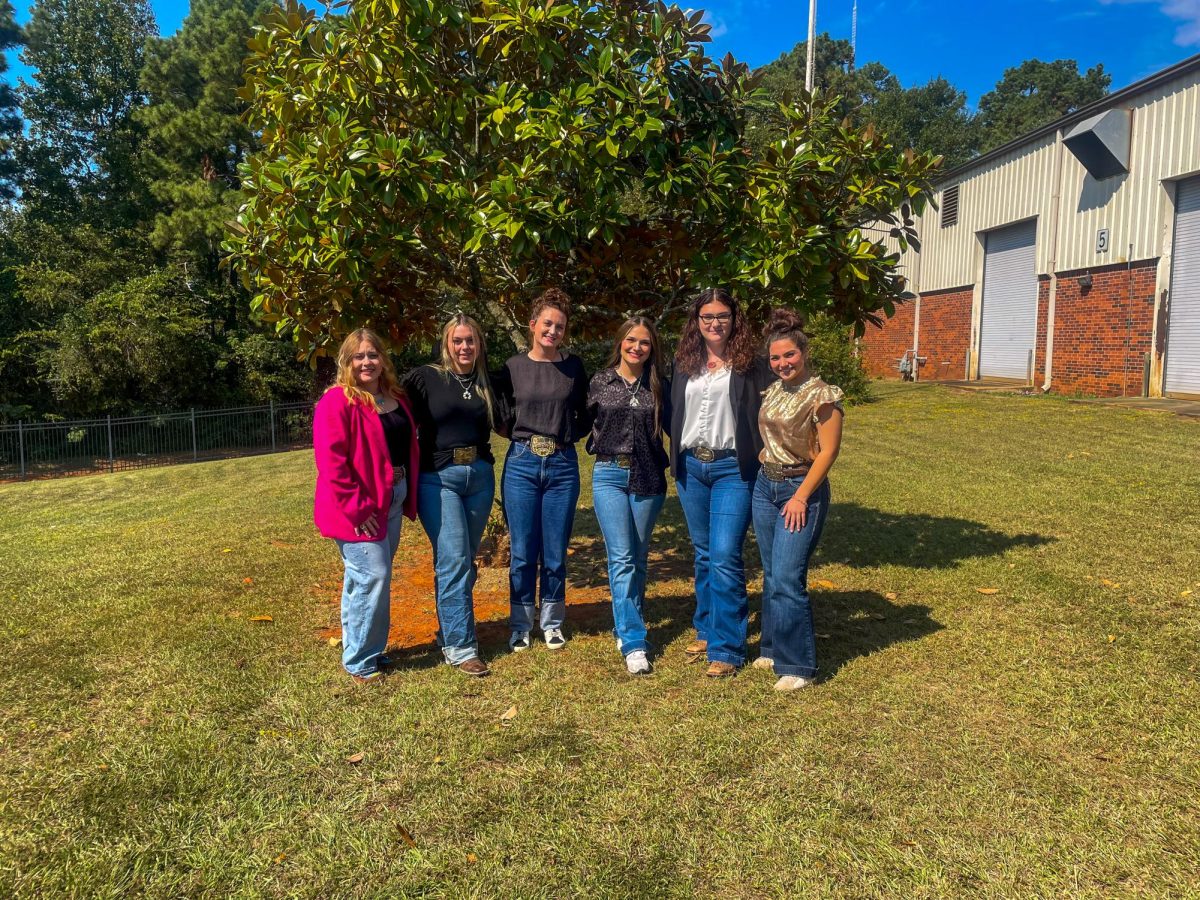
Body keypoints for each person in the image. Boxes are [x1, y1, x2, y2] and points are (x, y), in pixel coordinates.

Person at [670, 288, 775, 678]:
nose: (715, 323)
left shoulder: (753, 364)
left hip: (734, 469)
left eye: (722, 316)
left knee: (725, 554)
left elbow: (773, 406)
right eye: (707, 317)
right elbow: (674, 412)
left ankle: (728, 648)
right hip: (692, 467)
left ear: (735, 319)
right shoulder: (685, 363)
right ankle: (707, 627)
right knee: (702, 553)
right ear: (696, 322)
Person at [313, 328, 419, 683]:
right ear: (347, 361)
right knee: (374, 575)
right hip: (358, 508)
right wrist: (358, 510)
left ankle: (366, 649)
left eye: (372, 354)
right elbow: (332, 464)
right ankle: (359, 660)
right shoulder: (337, 401)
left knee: (364, 580)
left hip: (393, 496)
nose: (366, 362)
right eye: (358, 356)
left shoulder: (395, 397)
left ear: (382, 359)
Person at [750, 309, 844, 691]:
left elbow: (829, 451)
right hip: (765, 486)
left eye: (789, 355)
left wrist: (802, 497)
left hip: (798, 490)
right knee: (772, 574)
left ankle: (797, 666)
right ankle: (772, 647)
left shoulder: (823, 395)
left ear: (803, 353)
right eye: (775, 357)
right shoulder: (773, 389)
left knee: (789, 577)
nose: (782, 363)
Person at [493, 288, 589, 651]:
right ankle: (520, 623)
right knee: (522, 551)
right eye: (547, 323)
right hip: (522, 464)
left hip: (562, 465)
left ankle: (551, 622)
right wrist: (520, 439)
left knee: (554, 550)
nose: (553, 330)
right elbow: (499, 412)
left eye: (560, 326)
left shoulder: (573, 367)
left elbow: (584, 412)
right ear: (533, 325)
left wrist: (565, 437)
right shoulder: (512, 368)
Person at [404, 314, 497, 677]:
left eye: (470, 341)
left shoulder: (486, 381)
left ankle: (450, 631)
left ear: (479, 345)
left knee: (461, 560)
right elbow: (389, 406)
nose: (464, 347)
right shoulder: (425, 378)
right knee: (455, 559)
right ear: (446, 343)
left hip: (480, 477)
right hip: (437, 480)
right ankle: (461, 647)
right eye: (458, 340)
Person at [587, 317, 671, 676]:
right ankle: (635, 641)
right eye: (631, 340)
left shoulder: (658, 386)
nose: (637, 348)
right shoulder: (599, 381)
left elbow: (675, 427)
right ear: (620, 342)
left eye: (645, 343)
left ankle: (625, 624)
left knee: (638, 556)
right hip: (609, 473)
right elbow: (580, 420)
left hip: (648, 474)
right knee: (621, 557)